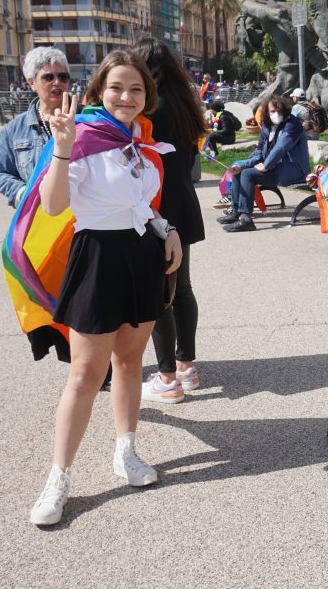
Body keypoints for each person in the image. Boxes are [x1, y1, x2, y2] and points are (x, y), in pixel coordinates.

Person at [28, 50, 183, 526]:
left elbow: (142, 202)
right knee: (84, 374)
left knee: (130, 362)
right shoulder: (83, 136)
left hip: (141, 258)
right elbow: (53, 205)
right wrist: (62, 147)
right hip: (96, 256)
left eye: (136, 89)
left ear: (147, 96)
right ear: (99, 91)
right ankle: (58, 479)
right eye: (117, 87)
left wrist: (166, 228)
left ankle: (126, 451)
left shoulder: (139, 139)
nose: (126, 97)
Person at [133, 38, 207, 404]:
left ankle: (166, 378)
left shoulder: (145, 109)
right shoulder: (186, 105)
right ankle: (186, 367)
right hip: (184, 201)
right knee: (183, 288)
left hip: (156, 204)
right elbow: (192, 156)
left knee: (160, 293)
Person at [0, 47, 72, 210]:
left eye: (63, 77)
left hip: (80, 216)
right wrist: (22, 193)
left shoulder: (87, 120)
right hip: (37, 216)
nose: (57, 82)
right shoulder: (15, 129)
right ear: (32, 82)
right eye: (48, 77)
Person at [218, 95, 308, 233]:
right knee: (239, 172)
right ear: (267, 111)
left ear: (285, 111)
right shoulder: (266, 126)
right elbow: (260, 151)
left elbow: (282, 147)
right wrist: (243, 164)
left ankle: (246, 219)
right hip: (274, 169)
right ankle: (236, 211)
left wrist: (266, 165)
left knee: (247, 174)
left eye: (279, 111)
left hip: (292, 171)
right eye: (273, 111)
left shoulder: (293, 124)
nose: (276, 114)